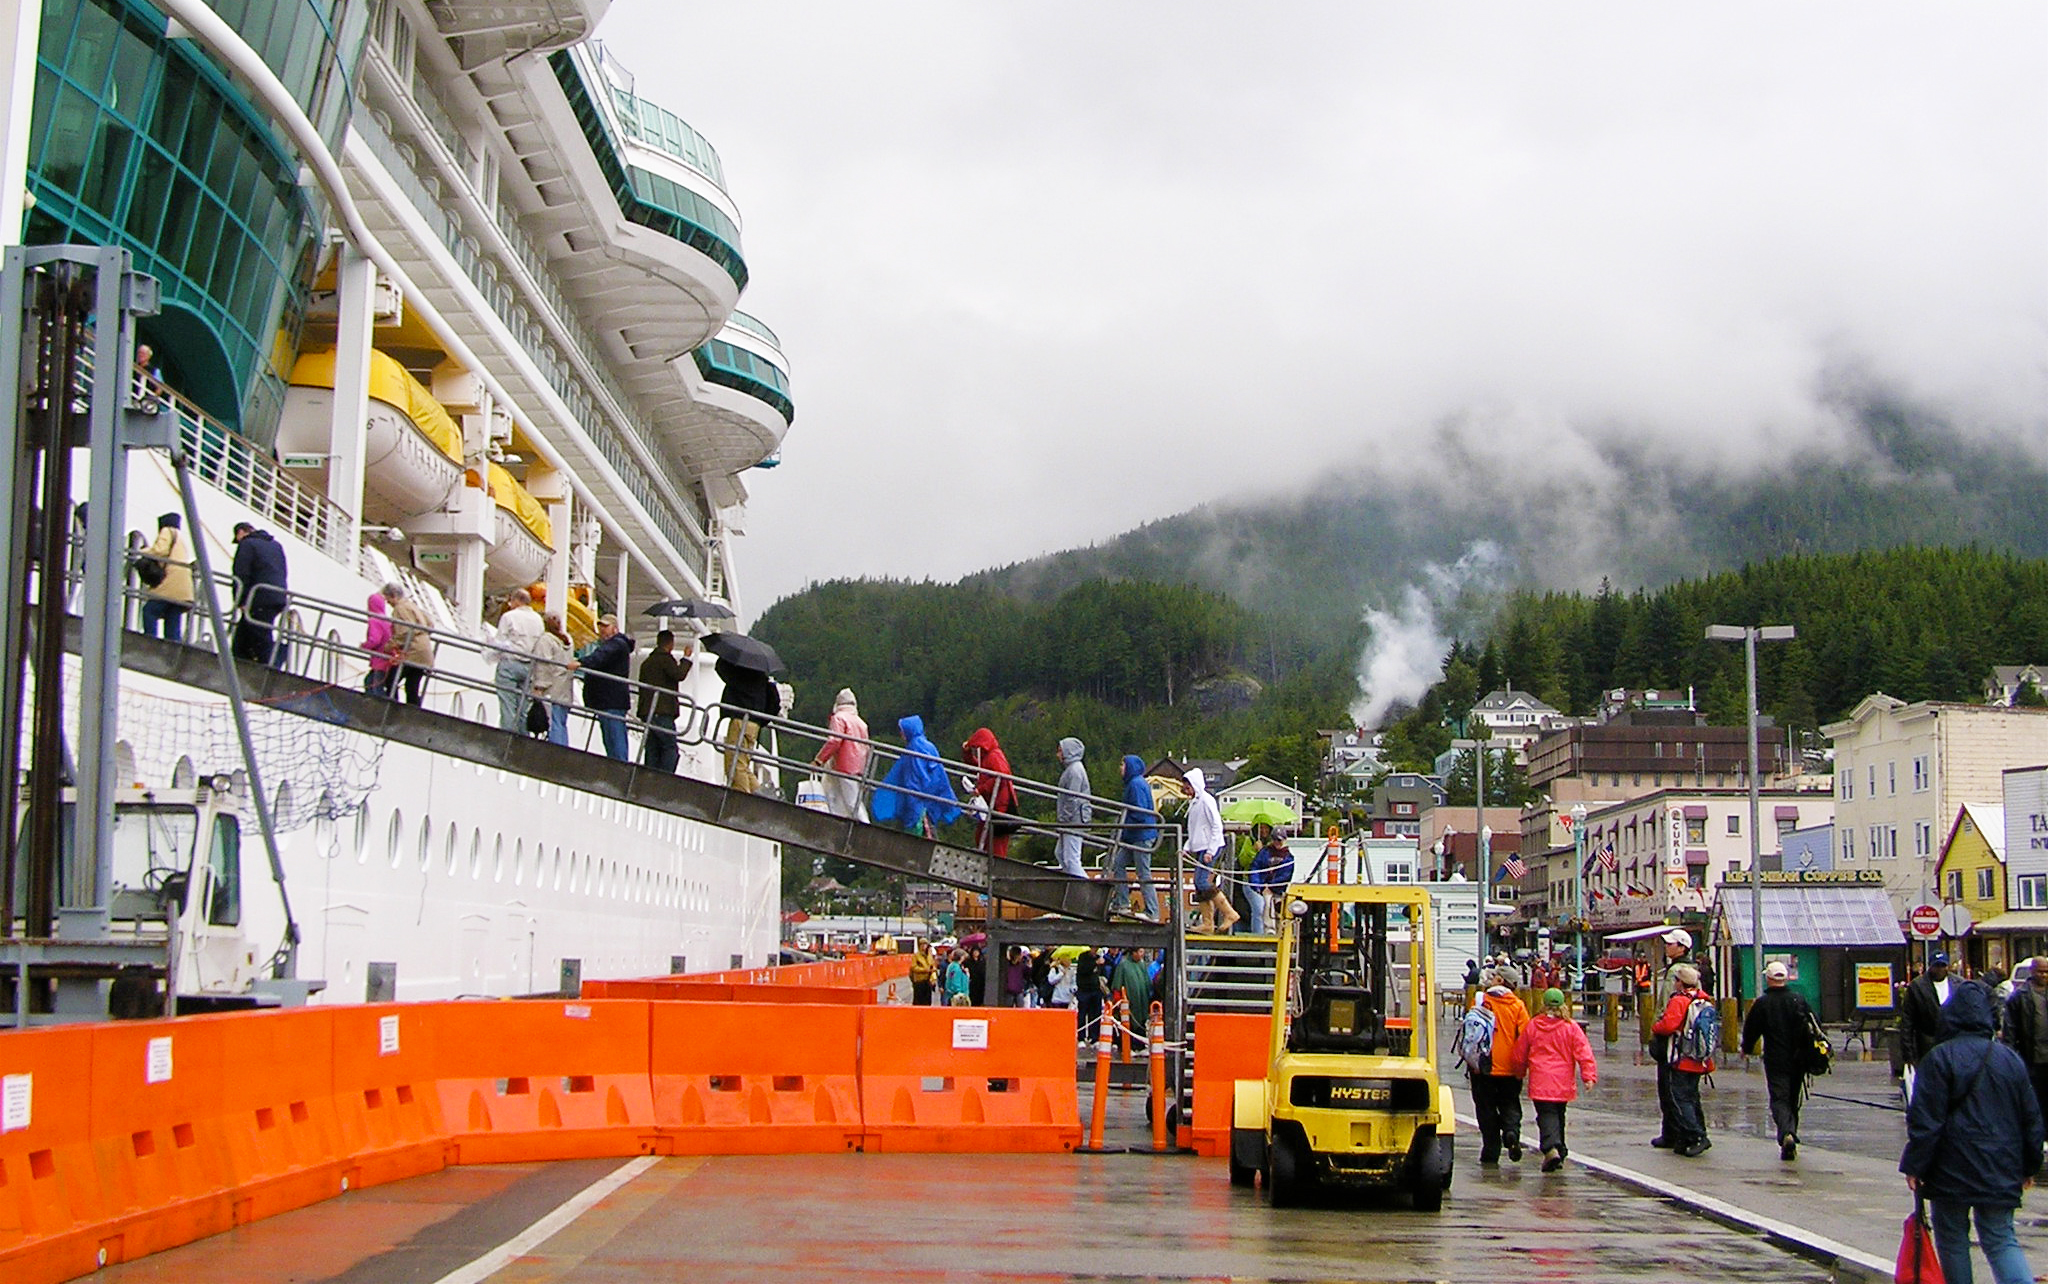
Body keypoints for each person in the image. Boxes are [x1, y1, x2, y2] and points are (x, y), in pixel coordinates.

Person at [1902, 981, 2044, 1284]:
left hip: (1950, 1165)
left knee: (1952, 1237)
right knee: (2001, 1237)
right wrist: (2029, 1166)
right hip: (2001, 1165)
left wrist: (1916, 1165)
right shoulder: (2010, 1060)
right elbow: (2031, 1119)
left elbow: (1926, 1121)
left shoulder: (1939, 1059)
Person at [1513, 987, 1598, 1172]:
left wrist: (1519, 1072)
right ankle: (1560, 1148)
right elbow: (1584, 1053)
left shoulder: (1534, 1025)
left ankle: (1551, 1148)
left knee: (1546, 1115)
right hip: (1562, 1081)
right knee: (1559, 1114)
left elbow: (1520, 1053)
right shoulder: (1571, 1027)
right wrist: (1588, 1076)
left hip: (1541, 1079)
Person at [1741, 960, 1819, 1159]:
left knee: (1779, 1098)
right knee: (1793, 1098)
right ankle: (1791, 1133)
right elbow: (1815, 1025)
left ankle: (1786, 1133)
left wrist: (1746, 1048)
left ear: (1768, 978)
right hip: (1799, 1058)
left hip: (1776, 1058)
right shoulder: (1798, 1000)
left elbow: (1752, 1029)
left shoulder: (1763, 1003)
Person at [1652, 962, 1715, 1157]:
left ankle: (1697, 1135)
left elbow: (1669, 1025)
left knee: (1679, 1098)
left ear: (1681, 983)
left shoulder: (1679, 1000)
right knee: (1693, 1096)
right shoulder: (1704, 1000)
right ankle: (1689, 1136)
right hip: (1699, 1058)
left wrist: (1656, 1027)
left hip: (1681, 1057)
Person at [1470, 968, 1532, 1165]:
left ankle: (1491, 1150)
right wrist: (1522, 1066)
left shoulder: (1480, 1000)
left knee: (1485, 1108)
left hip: (1482, 1065)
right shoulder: (1518, 1006)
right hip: (1510, 1067)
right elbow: (1525, 1038)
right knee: (1510, 1103)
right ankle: (1511, 1132)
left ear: (1499, 980)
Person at [869, 716, 963, 837]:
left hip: (918, 802)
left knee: (915, 834)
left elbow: (914, 780)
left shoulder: (914, 748)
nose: (901, 734)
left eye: (902, 731)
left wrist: (912, 804)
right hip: (930, 798)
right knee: (929, 830)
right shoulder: (929, 746)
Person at [1649, 927, 1694, 1149]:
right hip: (1687, 1039)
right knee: (1684, 1088)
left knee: (1668, 1087)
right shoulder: (1693, 971)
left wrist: (1656, 1029)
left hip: (1671, 1038)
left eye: (1670, 944)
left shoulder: (1676, 972)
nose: (1667, 946)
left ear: (1682, 947)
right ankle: (1682, 1131)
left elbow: (1666, 1005)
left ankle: (1673, 1132)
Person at [1183, 769, 1238, 933]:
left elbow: (1216, 826)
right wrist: (1186, 848)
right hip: (1201, 848)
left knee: (1201, 881)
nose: (1186, 790)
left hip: (1210, 847)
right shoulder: (1194, 803)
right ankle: (1208, 923)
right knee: (1198, 884)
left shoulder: (1207, 801)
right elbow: (1195, 831)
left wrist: (1211, 850)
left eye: (1187, 787)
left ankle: (1229, 913)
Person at [715, 653, 778, 793]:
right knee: (743, 764)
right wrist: (762, 721)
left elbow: (722, 670)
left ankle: (740, 799)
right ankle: (760, 796)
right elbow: (774, 705)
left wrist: (725, 657)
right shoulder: (763, 678)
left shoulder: (743, 674)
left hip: (741, 721)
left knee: (735, 763)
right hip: (754, 724)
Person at [229, 522, 288, 665]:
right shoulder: (275, 545)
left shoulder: (247, 544)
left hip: (258, 598)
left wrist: (240, 600)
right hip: (278, 596)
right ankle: (237, 663)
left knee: (260, 636)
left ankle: (269, 669)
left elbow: (241, 574)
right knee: (244, 636)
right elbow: (283, 571)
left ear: (241, 532)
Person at [579, 614, 636, 760]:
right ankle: (617, 764)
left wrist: (581, 662)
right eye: (601, 626)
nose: (602, 630)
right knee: (611, 737)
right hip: (608, 700)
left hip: (611, 700)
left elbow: (600, 657)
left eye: (606, 626)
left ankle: (620, 765)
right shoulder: (616, 645)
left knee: (614, 737)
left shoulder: (616, 644)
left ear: (615, 628)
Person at [2000, 955, 2048, 1124]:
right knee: (2034, 1097)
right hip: (2031, 1057)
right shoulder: (2020, 996)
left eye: (2046, 972)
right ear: (2032, 971)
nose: (2043, 975)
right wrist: (2011, 1056)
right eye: (2040, 972)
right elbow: (2010, 1030)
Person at [1903, 952, 1957, 1097]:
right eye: (1936, 966)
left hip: (1953, 1044)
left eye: (1943, 966)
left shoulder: (1959, 984)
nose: (1940, 970)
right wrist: (1908, 1053)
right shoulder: (1917, 986)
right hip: (1926, 1044)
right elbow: (1907, 1021)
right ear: (1930, 967)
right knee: (1930, 1084)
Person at [1112, 755, 1160, 919]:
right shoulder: (1137, 783)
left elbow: (1140, 812)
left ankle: (1152, 912)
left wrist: (1123, 822)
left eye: (1123, 764)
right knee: (1118, 864)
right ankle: (1122, 903)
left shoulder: (1135, 784)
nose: (1120, 768)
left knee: (1143, 872)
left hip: (1140, 834)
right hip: (1134, 835)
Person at [962, 728, 1020, 858]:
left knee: (997, 842)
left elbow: (1002, 776)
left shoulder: (994, 756)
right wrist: (966, 752)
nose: (977, 749)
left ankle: (995, 871)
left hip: (1001, 806)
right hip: (992, 804)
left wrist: (981, 789)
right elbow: (977, 767)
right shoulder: (987, 756)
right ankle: (987, 865)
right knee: (983, 836)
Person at [811, 689, 870, 819]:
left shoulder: (839, 718)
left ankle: (865, 827)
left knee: (851, 802)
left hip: (843, 765)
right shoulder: (861, 723)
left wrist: (819, 760)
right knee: (844, 797)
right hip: (857, 767)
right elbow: (865, 748)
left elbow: (835, 740)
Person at [635, 629, 689, 771]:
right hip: (663, 711)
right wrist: (686, 659)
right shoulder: (665, 660)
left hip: (647, 711)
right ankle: (664, 780)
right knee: (670, 748)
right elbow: (679, 674)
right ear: (671, 644)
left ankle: (648, 777)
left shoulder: (647, 663)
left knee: (652, 748)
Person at [491, 589, 543, 733]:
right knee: (523, 708)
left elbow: (500, 641)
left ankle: (506, 738)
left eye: (511, 601)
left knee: (507, 706)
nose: (510, 604)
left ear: (516, 601)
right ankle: (523, 741)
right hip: (529, 666)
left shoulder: (509, 617)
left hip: (510, 663)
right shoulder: (538, 619)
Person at [137, 512, 192, 641]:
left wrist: (143, 551)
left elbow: (160, 550)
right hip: (183, 587)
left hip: (170, 582)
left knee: (149, 611)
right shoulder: (181, 539)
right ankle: (173, 651)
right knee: (172, 618)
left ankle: (150, 641)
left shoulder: (167, 531)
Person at [529, 615, 580, 745]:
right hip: (565, 687)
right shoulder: (568, 640)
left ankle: (556, 751)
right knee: (561, 722)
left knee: (553, 721)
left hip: (552, 688)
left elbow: (543, 665)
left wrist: (539, 687)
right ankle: (564, 749)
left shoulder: (546, 640)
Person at [385, 581, 435, 706]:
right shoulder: (411, 605)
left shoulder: (400, 608)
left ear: (394, 596)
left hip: (414, 651)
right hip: (425, 652)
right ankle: (414, 714)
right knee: (412, 686)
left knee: (391, 680)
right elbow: (430, 624)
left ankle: (392, 708)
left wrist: (390, 645)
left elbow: (405, 632)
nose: (388, 602)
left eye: (388, 599)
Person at [1053, 737, 1092, 878]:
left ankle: (1086, 889)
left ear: (1068, 752)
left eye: (1060, 751)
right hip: (1072, 820)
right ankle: (1073, 884)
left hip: (1074, 821)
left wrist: (1064, 819)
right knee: (1061, 854)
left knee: (1071, 858)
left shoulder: (1074, 771)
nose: (1058, 755)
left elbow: (1072, 799)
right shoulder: (1073, 769)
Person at [1249, 830, 1294, 935]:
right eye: (1274, 839)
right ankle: (1269, 930)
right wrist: (1258, 886)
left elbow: (1286, 875)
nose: (1277, 842)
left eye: (1279, 840)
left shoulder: (1288, 857)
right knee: (1267, 903)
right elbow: (1255, 868)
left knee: (1281, 909)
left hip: (1279, 889)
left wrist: (1272, 886)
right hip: (1263, 887)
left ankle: (1282, 931)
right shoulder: (1264, 852)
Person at [362, 591, 396, 698]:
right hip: (387, 658)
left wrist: (364, 646)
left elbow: (375, 640)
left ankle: (376, 708)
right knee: (369, 681)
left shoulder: (375, 620)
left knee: (376, 687)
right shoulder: (387, 621)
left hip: (380, 659)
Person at [1111, 947, 1151, 1030]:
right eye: (1140, 951)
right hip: (1129, 1003)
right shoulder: (1123, 965)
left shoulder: (1142, 965)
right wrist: (1118, 1000)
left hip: (1142, 1001)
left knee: (1141, 1024)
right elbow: (1117, 986)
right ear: (1134, 953)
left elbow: (1147, 983)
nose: (1142, 954)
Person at [1075, 948, 1104, 1044]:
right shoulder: (1083, 957)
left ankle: (1094, 1037)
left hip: (1096, 989)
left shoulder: (1100, 957)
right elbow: (1083, 969)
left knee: (1095, 1014)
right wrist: (1095, 963)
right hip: (1084, 989)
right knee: (1082, 1014)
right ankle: (1081, 1037)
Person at [908, 940, 937, 1008]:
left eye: (925, 944)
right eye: (922, 945)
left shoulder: (929, 955)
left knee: (927, 1001)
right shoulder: (916, 956)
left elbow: (932, 965)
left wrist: (933, 974)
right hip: (919, 980)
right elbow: (913, 967)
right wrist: (925, 970)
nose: (924, 946)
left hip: (928, 981)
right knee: (918, 1001)